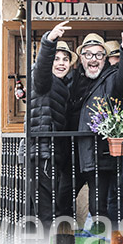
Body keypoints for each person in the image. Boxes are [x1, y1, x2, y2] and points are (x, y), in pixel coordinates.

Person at [71, 31, 123, 224]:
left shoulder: (111, 78)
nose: (94, 59)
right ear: (81, 58)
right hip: (76, 155)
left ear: (105, 59)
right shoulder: (75, 78)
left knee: (103, 208)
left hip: (101, 155)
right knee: (65, 201)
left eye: (99, 54)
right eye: (88, 54)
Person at [28, 21, 74, 227]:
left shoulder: (63, 85)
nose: (61, 63)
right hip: (42, 153)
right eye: (56, 59)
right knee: (46, 212)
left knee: (43, 210)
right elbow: (42, 69)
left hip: (49, 154)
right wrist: (49, 41)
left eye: (66, 59)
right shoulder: (43, 80)